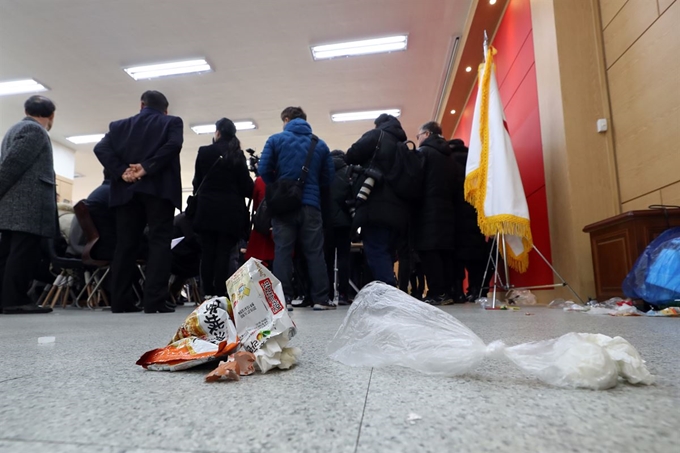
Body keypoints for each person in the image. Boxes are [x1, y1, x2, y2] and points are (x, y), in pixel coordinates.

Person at [94, 90, 183, 313]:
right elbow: (173, 145)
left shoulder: (118, 126)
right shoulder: (171, 122)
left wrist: (123, 171)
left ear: (141, 105)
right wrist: (146, 167)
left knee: (125, 245)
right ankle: (154, 301)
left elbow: (100, 148)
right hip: (159, 190)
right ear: (166, 110)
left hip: (126, 191)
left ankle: (120, 301)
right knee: (159, 242)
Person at [258, 106, 335, 310]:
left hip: (283, 206)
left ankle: (284, 299)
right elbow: (328, 178)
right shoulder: (320, 144)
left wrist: (280, 186)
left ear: (286, 119)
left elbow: (263, 169)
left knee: (282, 251)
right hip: (311, 205)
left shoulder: (275, 140)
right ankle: (320, 299)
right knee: (315, 252)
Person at [0, 95, 57, 314]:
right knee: (22, 254)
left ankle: (6, 300)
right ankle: (15, 300)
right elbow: (13, 164)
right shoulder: (35, 131)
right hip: (26, 206)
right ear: (51, 116)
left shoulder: (14, 129)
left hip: (12, 206)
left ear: (26, 110)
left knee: (8, 253)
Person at [191, 118, 254, 297]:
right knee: (224, 253)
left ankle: (207, 292)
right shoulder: (237, 154)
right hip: (230, 212)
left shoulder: (204, 152)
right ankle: (220, 291)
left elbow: (196, 183)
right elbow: (246, 186)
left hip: (206, 210)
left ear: (217, 132)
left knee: (208, 251)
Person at [346, 113, 410, 286]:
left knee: (376, 250)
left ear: (379, 124)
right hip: (400, 210)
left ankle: (389, 292)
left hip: (376, 205)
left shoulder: (377, 135)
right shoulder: (403, 146)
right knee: (388, 252)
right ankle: (389, 290)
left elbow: (351, 154)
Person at [413, 121, 460, 305]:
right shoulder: (450, 157)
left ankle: (436, 293)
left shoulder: (424, 153)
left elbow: (416, 181)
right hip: (448, 211)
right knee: (444, 253)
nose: (418, 140)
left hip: (428, 211)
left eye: (419, 136)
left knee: (429, 252)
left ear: (427, 134)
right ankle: (446, 292)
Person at [449, 138, 492, 301]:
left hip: (455, 216)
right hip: (475, 213)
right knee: (476, 256)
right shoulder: (475, 162)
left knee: (456, 258)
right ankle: (476, 290)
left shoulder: (449, 162)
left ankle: (458, 291)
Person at [323, 150, 353, 305]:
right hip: (344, 222)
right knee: (343, 258)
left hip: (326, 222)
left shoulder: (324, 174)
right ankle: (343, 294)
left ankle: (327, 294)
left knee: (327, 259)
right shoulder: (348, 172)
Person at [245, 175, 275, 267]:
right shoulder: (288, 179)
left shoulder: (260, 180)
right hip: (280, 231)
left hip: (261, 231)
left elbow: (256, 207)